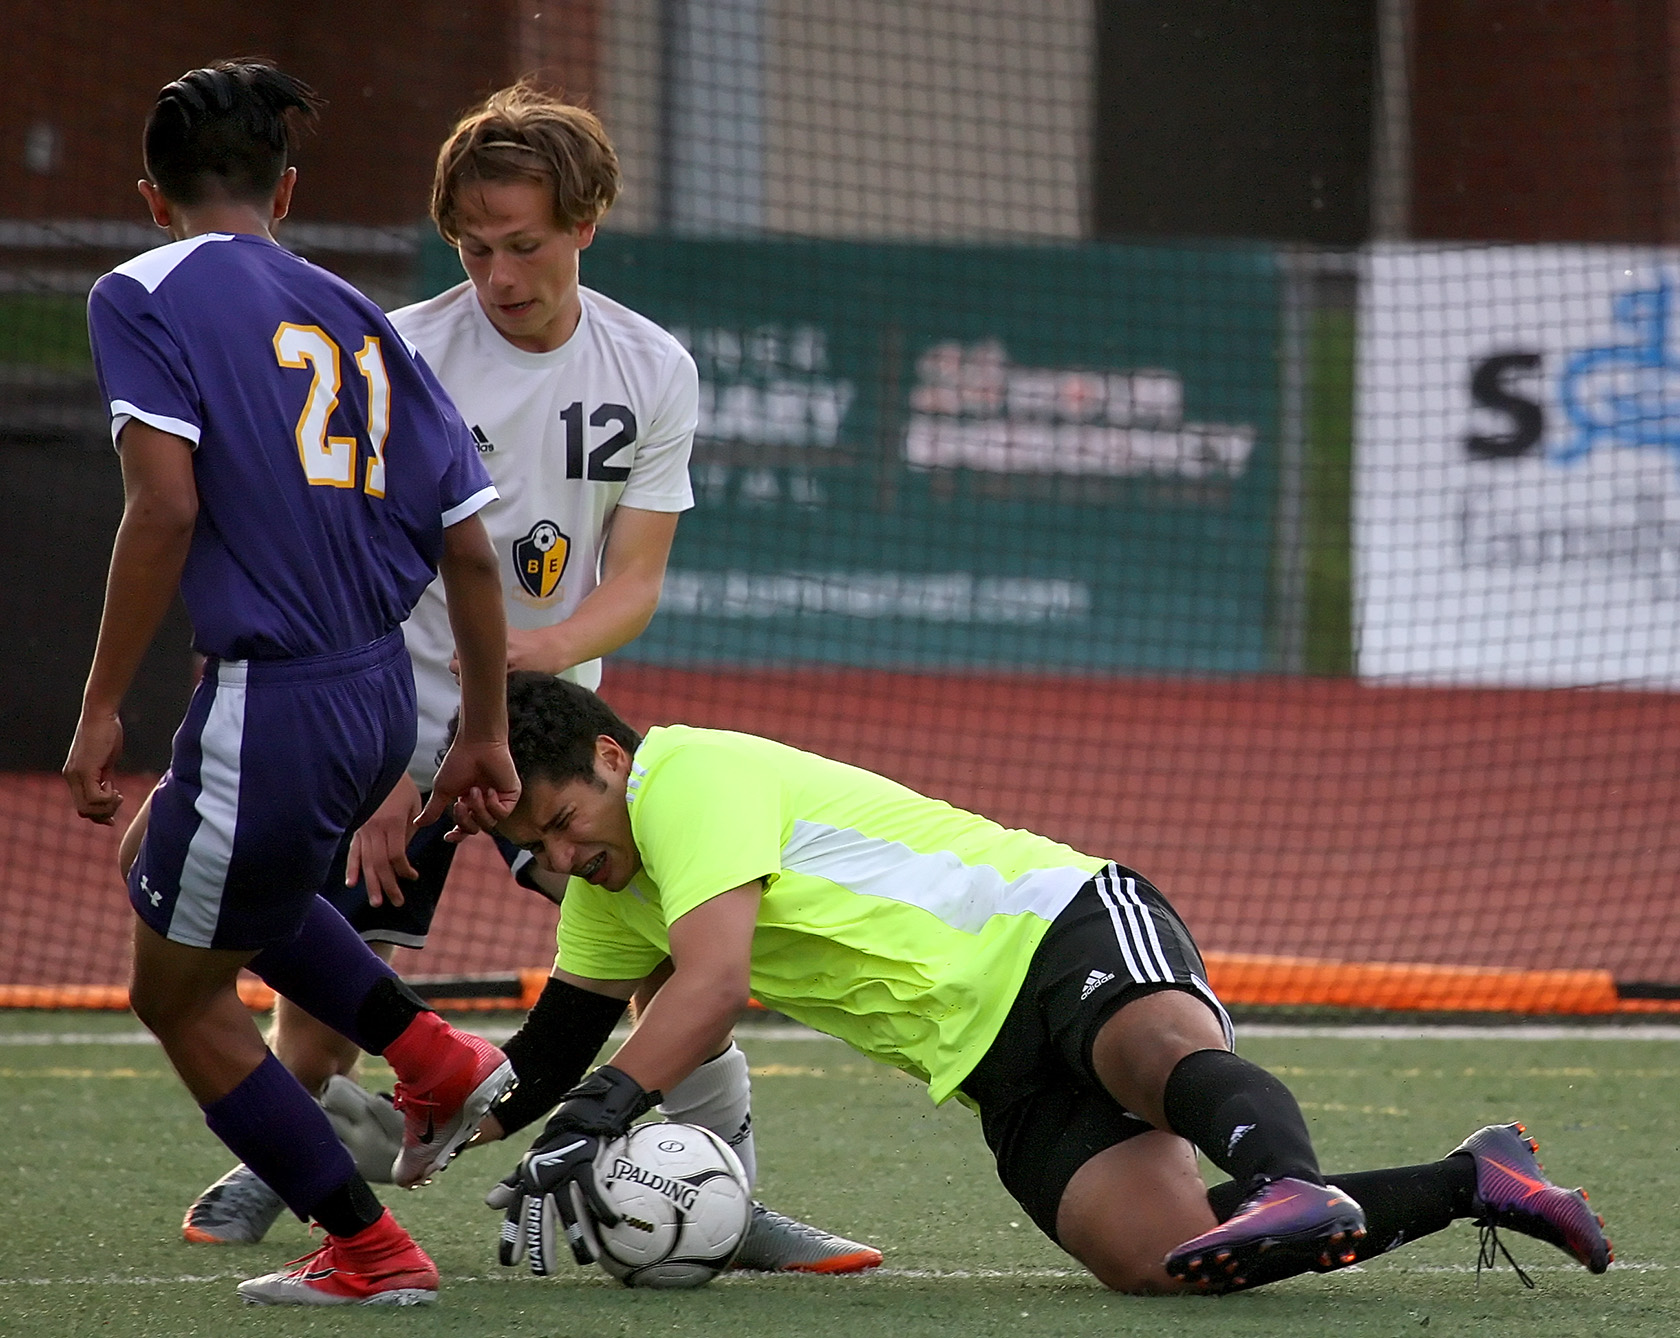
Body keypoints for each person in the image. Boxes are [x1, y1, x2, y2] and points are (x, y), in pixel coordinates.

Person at [176, 81, 880, 1274]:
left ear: (586, 222)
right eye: (474, 247)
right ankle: (307, 1137)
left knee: (657, 944)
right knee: (329, 1000)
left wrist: (507, 687)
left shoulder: (652, 367)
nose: (499, 275)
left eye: (525, 244)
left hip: (536, 723)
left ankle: (730, 1197)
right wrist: (394, 756)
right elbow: (356, 564)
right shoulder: (395, 353)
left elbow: (634, 582)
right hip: (380, 703)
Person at [470, 673, 1613, 1294]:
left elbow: (710, 986)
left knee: (1148, 1054)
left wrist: (602, 1115)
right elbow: (545, 1056)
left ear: (612, 761)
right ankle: (1478, 1177)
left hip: (1056, 928)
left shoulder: (687, 775)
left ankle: (1286, 1174)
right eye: (536, 851)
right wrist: (404, 1141)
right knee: (1157, 1261)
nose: (560, 860)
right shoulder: (608, 889)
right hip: (989, 1065)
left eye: (564, 823)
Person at [63, 61, 523, 1307]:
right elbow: (469, 548)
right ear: (289, 188)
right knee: (181, 855)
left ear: (152, 196)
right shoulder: (355, 310)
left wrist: (101, 703)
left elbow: (162, 508)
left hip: (275, 699)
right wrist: (481, 730)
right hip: (380, 696)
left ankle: (368, 1248)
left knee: (178, 993)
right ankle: (432, 1057)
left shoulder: (139, 291)